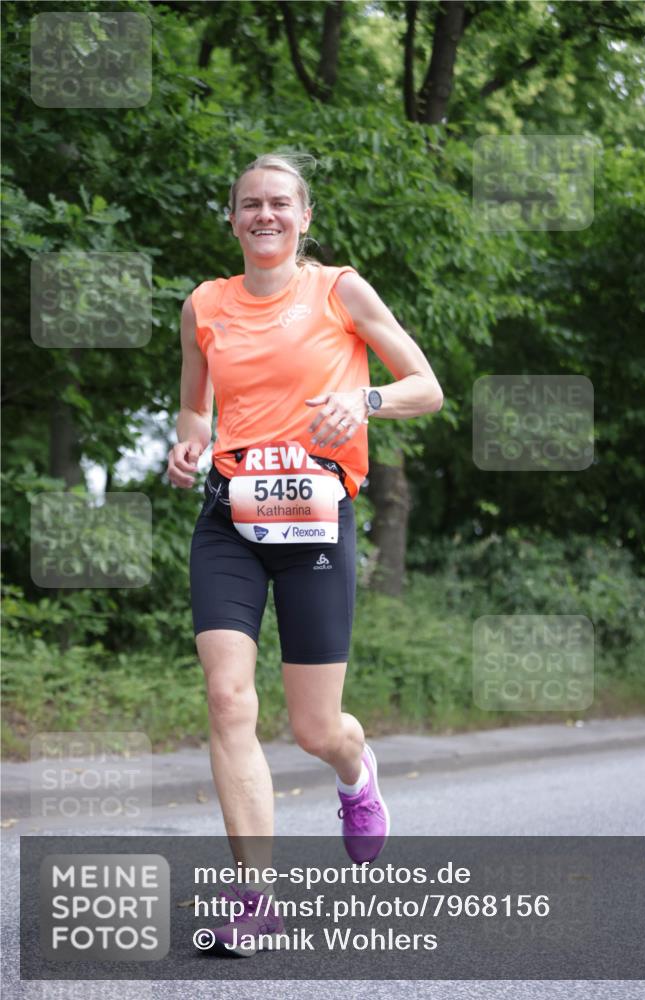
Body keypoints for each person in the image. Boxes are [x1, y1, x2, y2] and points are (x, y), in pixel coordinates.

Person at [167, 152, 443, 954]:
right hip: (229, 518)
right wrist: (188, 451)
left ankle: (355, 774)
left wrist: (362, 400)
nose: (265, 215)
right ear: (231, 217)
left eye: (279, 203)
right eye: (250, 204)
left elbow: (424, 385)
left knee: (315, 728)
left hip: (317, 519)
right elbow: (194, 409)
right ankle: (255, 899)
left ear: (304, 217)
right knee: (227, 699)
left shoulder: (338, 290)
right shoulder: (203, 305)